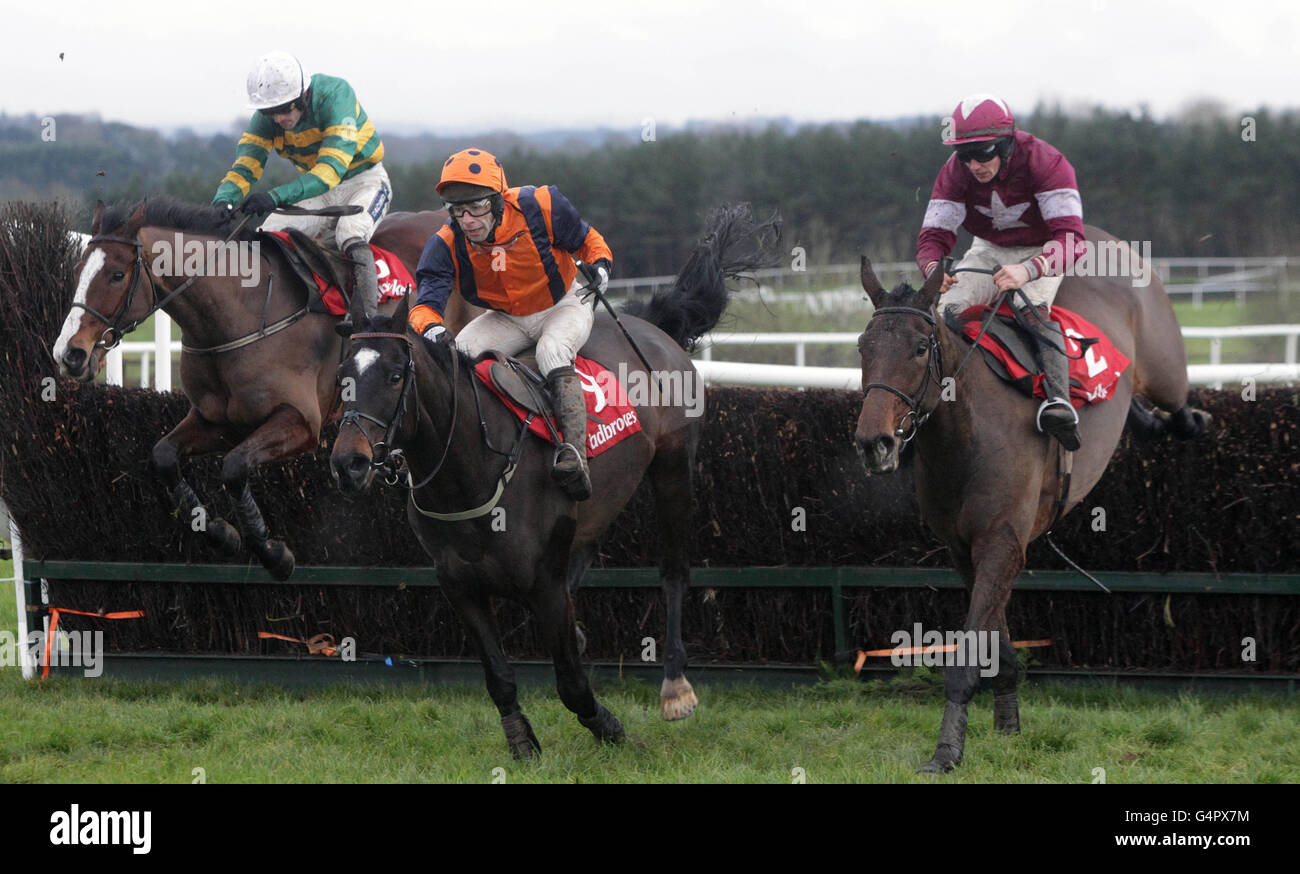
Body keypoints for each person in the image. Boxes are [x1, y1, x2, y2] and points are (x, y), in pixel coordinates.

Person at [409, 148, 614, 501]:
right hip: (506, 317)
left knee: (552, 351)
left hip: (563, 304)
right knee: (457, 358)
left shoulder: (542, 205)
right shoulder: (445, 243)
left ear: (498, 200)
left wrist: (601, 266)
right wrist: (432, 328)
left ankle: (574, 454)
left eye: (476, 207)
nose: (467, 220)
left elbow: (587, 240)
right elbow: (425, 304)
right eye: (457, 210)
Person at [916, 93, 1087, 450]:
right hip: (988, 247)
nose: (974, 165)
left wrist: (1029, 270)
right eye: (965, 154)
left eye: (983, 152)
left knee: (1029, 310)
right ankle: (927, 398)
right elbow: (933, 236)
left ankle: (1059, 401)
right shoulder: (954, 171)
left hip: (1043, 248)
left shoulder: (1047, 162)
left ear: (1007, 143)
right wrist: (933, 268)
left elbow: (1072, 240)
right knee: (945, 312)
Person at [212, 51, 391, 327]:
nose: (278, 118)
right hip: (318, 189)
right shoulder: (268, 118)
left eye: (285, 108)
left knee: (349, 231)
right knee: (267, 233)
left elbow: (329, 171)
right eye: (270, 112)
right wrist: (223, 201)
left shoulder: (335, 95)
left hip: (365, 181)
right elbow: (246, 166)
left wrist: (274, 196)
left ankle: (365, 319)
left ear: (303, 94)